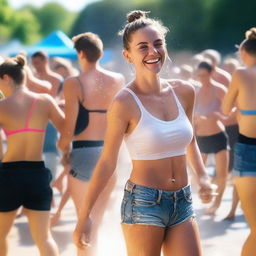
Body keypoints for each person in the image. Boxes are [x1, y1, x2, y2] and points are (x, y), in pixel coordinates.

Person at [71, 10, 214, 256]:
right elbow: (107, 162)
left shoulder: (185, 91)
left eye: (158, 44)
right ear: (128, 55)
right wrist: (85, 216)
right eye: (143, 47)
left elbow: (189, 141)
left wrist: (202, 177)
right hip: (143, 203)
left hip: (183, 200)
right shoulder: (124, 102)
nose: (153, 52)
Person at [58, 32, 125, 255]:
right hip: (111, 155)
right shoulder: (117, 80)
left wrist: (63, 147)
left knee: (82, 223)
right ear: (101, 53)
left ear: (80, 53)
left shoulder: (73, 82)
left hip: (84, 154)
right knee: (95, 224)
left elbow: (69, 126)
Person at [0, 54, 64, 256]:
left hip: (9, 174)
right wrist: (66, 150)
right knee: (44, 238)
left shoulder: (2, 106)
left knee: (0, 236)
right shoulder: (45, 101)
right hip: (37, 174)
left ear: (6, 78)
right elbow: (66, 128)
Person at [222, 27, 256, 256]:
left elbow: (225, 109)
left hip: (246, 148)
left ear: (243, 53)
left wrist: (243, 110)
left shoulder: (240, 74)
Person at [194, 60, 229, 215]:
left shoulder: (220, 90)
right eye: (199, 75)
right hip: (201, 138)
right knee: (200, 174)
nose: (202, 78)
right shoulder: (195, 91)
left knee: (222, 173)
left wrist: (218, 115)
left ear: (211, 73)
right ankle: (206, 199)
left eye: (204, 75)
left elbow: (231, 111)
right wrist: (196, 118)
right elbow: (188, 115)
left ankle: (217, 204)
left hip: (218, 136)